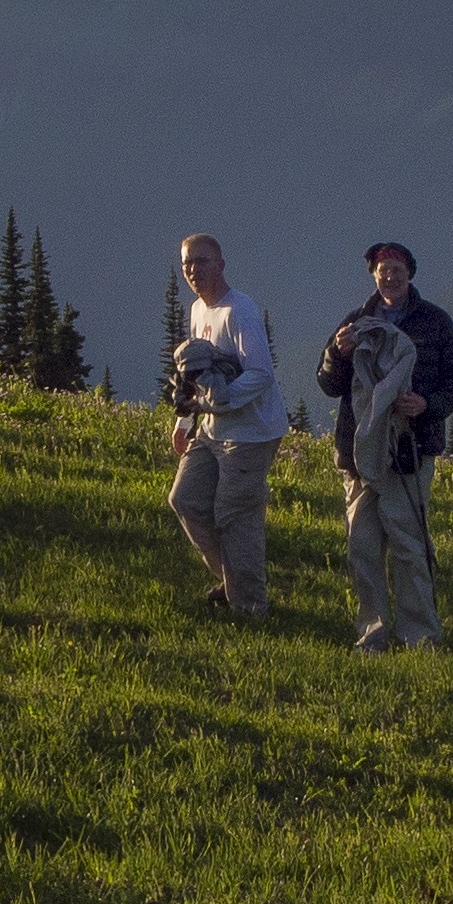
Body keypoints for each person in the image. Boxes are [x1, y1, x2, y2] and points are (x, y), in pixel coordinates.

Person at [316, 242, 453, 653]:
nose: (390, 276)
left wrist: (426, 406)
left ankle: (420, 637)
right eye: (383, 269)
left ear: (410, 274)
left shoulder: (436, 323)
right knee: (362, 547)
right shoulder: (355, 323)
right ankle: (374, 634)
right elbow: (328, 384)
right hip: (359, 456)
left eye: (397, 269)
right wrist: (336, 353)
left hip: (409, 452)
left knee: (408, 545)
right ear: (374, 275)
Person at [162, 235, 282, 619]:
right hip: (212, 429)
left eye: (202, 262)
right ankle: (233, 583)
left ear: (221, 264)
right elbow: (194, 373)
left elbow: (261, 374)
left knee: (236, 516)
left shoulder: (239, 310)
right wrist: (185, 419)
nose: (194, 270)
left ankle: (251, 609)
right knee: (185, 499)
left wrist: (220, 398)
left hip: (250, 433)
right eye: (187, 264)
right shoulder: (198, 310)